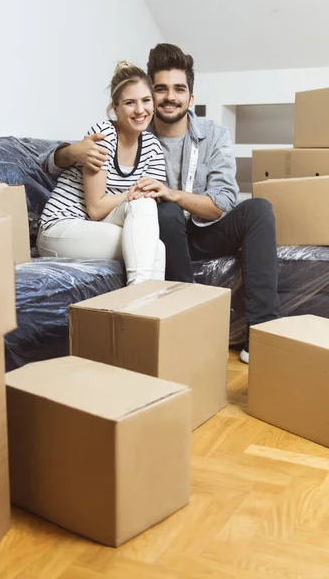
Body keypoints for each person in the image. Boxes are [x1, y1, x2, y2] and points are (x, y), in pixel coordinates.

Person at [40, 45, 280, 364]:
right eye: (160, 89)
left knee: (259, 209)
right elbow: (53, 162)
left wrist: (172, 193)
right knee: (159, 208)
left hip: (203, 229)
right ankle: (190, 321)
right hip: (159, 230)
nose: (170, 97)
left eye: (179, 89)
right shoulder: (136, 127)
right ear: (150, 95)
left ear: (191, 98)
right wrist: (70, 152)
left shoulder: (213, 135)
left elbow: (222, 203)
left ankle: (263, 334)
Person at [37, 62, 166, 286]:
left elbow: (146, 198)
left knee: (152, 229)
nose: (140, 110)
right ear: (115, 108)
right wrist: (132, 193)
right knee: (152, 248)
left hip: (99, 225)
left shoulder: (153, 147)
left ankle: (144, 308)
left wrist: (139, 194)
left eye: (146, 100)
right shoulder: (104, 135)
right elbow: (95, 209)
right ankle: (142, 303)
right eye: (129, 103)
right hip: (60, 226)